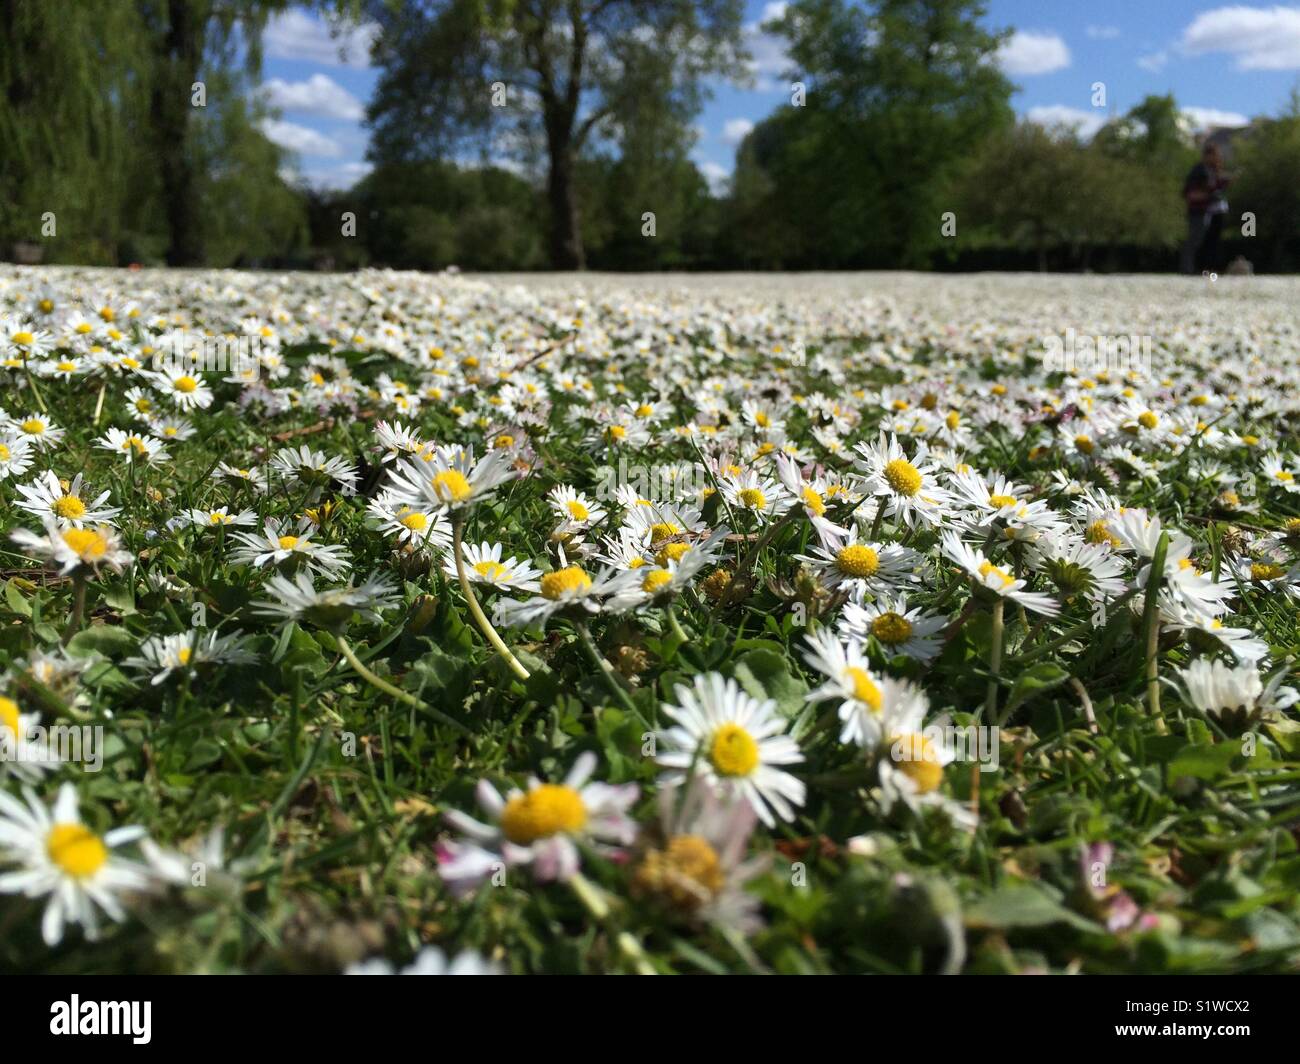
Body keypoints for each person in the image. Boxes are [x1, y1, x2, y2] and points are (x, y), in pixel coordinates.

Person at [1180, 142, 1231, 274]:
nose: (1218, 158)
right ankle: (1188, 269)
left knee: (1204, 240)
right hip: (1198, 210)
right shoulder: (1199, 171)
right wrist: (1212, 191)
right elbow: (1190, 193)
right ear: (1208, 155)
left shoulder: (1212, 170)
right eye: (1215, 155)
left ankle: (1199, 269)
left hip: (1208, 210)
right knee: (1195, 240)